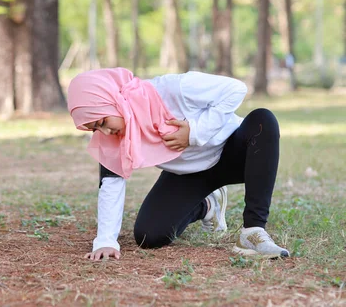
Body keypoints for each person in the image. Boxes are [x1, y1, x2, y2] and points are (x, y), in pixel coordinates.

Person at [67, 67, 290, 261]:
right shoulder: (113, 137)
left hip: (232, 154)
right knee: (149, 236)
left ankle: (252, 230)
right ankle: (208, 206)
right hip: (189, 176)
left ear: (112, 100)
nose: (105, 131)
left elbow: (235, 89)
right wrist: (105, 241)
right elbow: (111, 184)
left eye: (103, 122)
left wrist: (194, 132)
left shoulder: (174, 88)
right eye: (95, 129)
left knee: (263, 120)